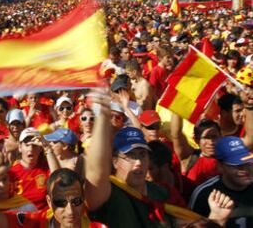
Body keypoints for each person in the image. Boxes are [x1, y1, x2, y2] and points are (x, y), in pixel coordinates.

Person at [84, 89, 230, 227]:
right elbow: (95, 173)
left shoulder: (164, 193)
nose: (138, 162)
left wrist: (216, 219)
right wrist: (102, 117)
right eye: (130, 156)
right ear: (114, 161)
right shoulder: (109, 194)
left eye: (142, 155)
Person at [0, 155, 91, 228]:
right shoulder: (34, 222)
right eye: (60, 202)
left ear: (83, 198)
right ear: (49, 201)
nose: (70, 210)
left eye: (76, 201)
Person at [189, 136, 253, 227]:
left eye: (247, 163)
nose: (245, 169)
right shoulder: (204, 194)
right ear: (220, 167)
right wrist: (216, 219)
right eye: (236, 165)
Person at [7, 127, 51, 210]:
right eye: (27, 145)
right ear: (20, 147)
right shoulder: (11, 173)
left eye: (34, 145)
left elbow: (58, 181)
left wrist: (47, 148)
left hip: (44, 218)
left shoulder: (47, 168)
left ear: (40, 148)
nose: (30, 149)